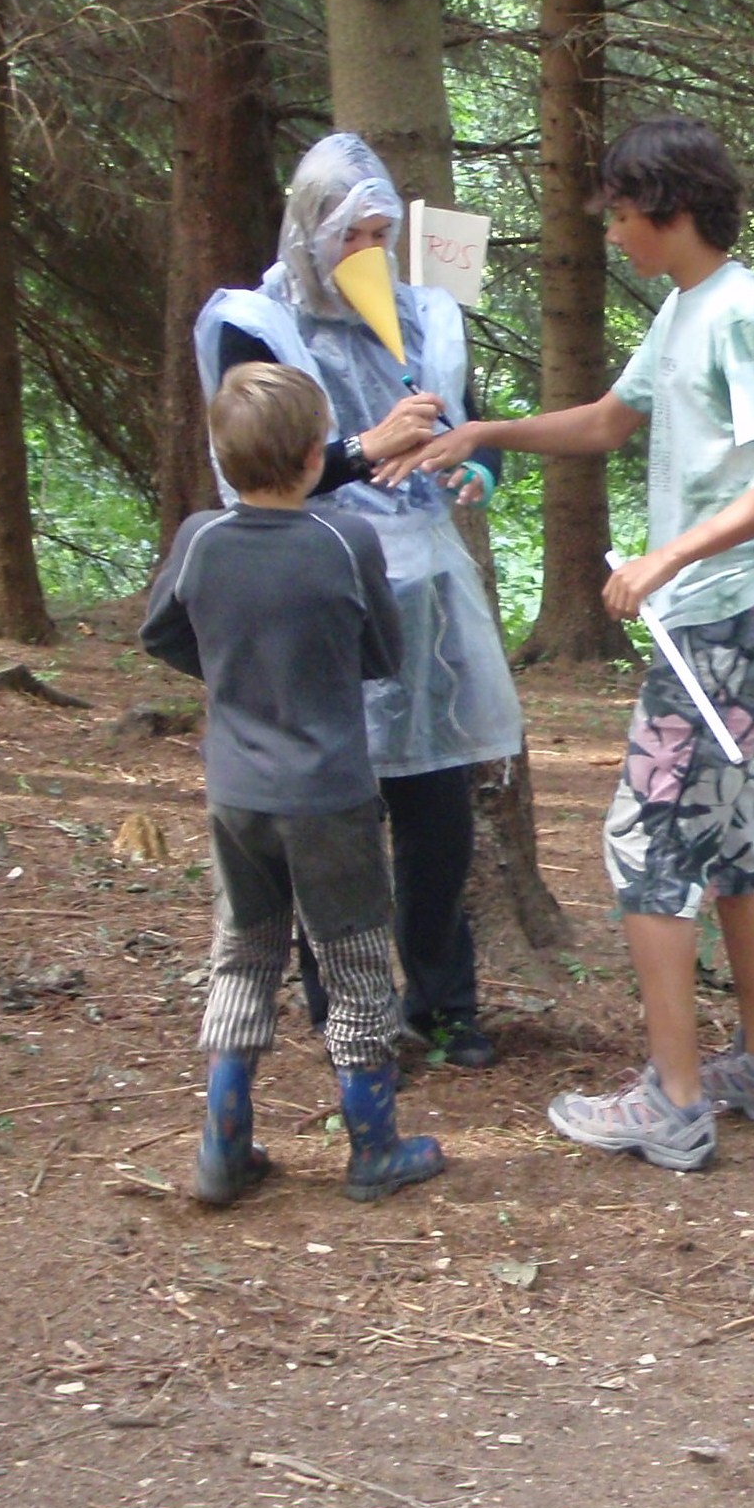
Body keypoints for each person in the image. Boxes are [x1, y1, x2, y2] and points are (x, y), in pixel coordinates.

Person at [390, 115, 754, 1171]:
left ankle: (673, 1103)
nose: (613, 234)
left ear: (670, 210)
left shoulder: (738, 314)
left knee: (646, 844)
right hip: (723, 613)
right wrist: (484, 433)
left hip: (727, 618)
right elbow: (604, 420)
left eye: (622, 215)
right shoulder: (686, 308)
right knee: (734, 836)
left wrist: (666, 557)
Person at [194, 133, 523, 1070]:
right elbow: (259, 473)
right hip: (318, 590)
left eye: (382, 234)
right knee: (332, 819)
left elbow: (470, 427)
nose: (369, 252)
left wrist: (474, 471)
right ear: (311, 231)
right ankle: (346, 1013)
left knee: (438, 812)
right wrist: (368, 445)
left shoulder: (427, 317)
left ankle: (445, 1003)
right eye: (352, 234)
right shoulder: (258, 324)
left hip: (424, 597)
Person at [139, 363, 444, 1206]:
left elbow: (160, 633)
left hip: (235, 793)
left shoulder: (200, 538)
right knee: (354, 963)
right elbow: (383, 653)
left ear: (224, 456)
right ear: (317, 455)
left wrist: (231, 671)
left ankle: (223, 1145)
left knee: (244, 953)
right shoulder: (346, 540)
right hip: (330, 795)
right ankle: (373, 1147)